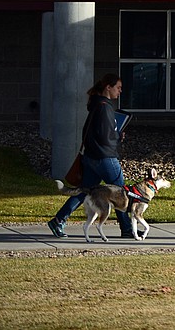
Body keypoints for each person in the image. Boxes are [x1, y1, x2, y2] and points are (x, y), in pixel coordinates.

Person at [47, 73, 134, 238]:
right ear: (108, 87)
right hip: (105, 158)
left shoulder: (96, 105)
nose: (120, 91)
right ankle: (127, 229)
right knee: (120, 193)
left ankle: (59, 220)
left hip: (91, 157)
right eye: (118, 87)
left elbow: (95, 133)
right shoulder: (104, 107)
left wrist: (114, 134)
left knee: (84, 191)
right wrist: (118, 135)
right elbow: (105, 135)